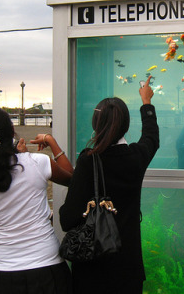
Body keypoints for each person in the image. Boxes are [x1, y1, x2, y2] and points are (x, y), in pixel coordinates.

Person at [59, 75, 159, 294]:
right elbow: (151, 137)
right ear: (125, 125)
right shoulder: (136, 157)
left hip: (92, 272)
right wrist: (146, 102)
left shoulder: (89, 160)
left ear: (95, 124)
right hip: (128, 271)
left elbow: (67, 219)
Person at [0, 106, 74, 294]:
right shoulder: (37, 162)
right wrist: (50, 141)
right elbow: (72, 178)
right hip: (48, 265)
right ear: (11, 132)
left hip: (4, 272)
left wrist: (3, 243)